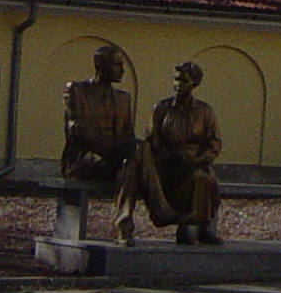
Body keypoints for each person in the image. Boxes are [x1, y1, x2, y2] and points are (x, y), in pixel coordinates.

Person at [116, 61, 223, 245]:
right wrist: (167, 155)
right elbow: (151, 139)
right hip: (166, 165)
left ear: (194, 83)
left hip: (193, 164)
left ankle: (200, 226)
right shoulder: (162, 108)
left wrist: (198, 158)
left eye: (183, 81)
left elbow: (213, 142)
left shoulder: (205, 111)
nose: (178, 85)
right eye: (176, 80)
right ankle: (167, 217)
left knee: (204, 177)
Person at [60, 45, 134, 183]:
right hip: (85, 161)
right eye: (116, 65)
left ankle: (154, 202)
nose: (122, 70)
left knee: (140, 152)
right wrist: (113, 153)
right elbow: (77, 130)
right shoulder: (77, 90)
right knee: (135, 161)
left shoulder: (123, 98)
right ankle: (157, 202)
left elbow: (128, 135)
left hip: (115, 160)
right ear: (100, 64)